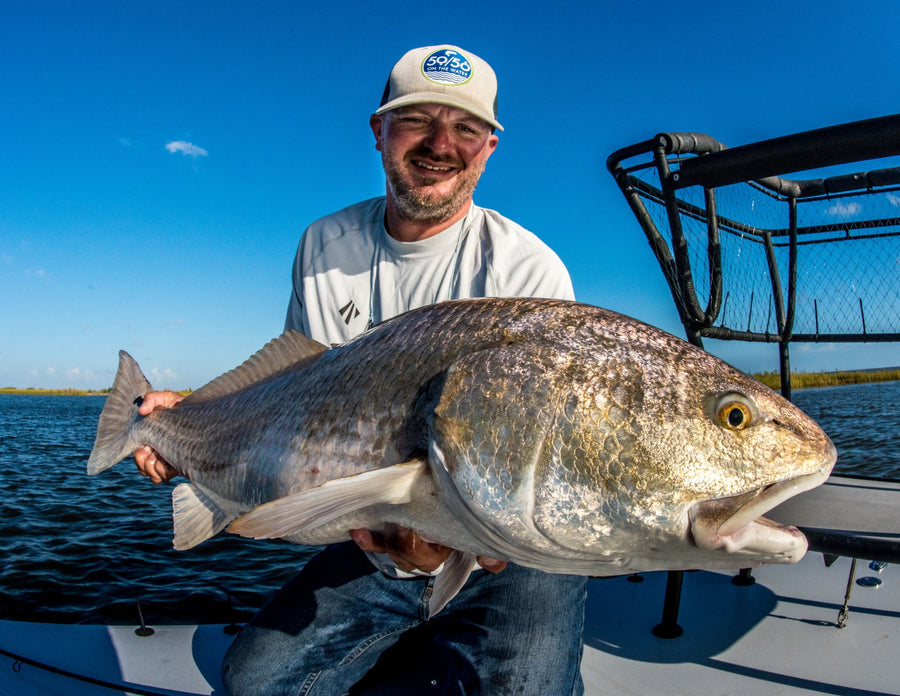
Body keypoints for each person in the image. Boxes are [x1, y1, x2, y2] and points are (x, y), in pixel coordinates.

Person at [134, 45, 587, 695]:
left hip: (507, 555)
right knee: (256, 684)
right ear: (378, 130)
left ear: (489, 146)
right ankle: (420, 640)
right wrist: (196, 414)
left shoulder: (530, 272)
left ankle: (431, 641)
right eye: (417, 120)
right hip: (370, 542)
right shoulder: (323, 244)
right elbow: (294, 387)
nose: (440, 143)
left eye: (464, 127)